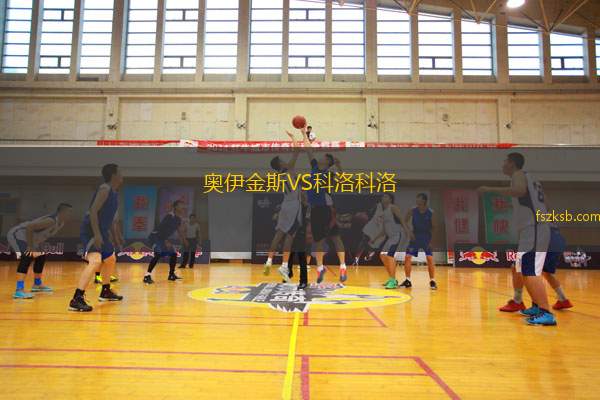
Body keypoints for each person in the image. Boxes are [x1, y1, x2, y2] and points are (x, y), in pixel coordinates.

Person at [478, 152, 556, 326]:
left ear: (512, 163)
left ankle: (546, 313)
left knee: (530, 270)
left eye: (505, 161)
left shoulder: (518, 174)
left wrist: (489, 189)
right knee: (520, 268)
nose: (502, 164)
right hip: (533, 228)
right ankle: (535, 306)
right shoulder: (531, 178)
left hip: (534, 228)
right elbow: (546, 203)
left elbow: (520, 191)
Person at [69, 164, 123, 312]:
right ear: (113, 175)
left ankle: (105, 291)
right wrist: (97, 234)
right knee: (95, 261)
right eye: (120, 172)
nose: (122, 175)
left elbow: (109, 218)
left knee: (110, 259)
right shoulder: (105, 188)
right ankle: (76, 298)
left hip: (102, 231)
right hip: (91, 231)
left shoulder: (114, 193)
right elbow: (93, 211)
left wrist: (111, 235)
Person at [301, 128, 347, 284]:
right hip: (315, 210)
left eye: (324, 157)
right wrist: (303, 134)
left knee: (335, 237)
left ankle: (343, 266)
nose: (320, 157)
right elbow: (308, 150)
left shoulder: (329, 173)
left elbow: (342, 180)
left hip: (327, 209)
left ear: (327, 162)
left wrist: (339, 166)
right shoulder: (314, 167)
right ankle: (320, 268)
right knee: (318, 241)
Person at [499, 224, 573, 313]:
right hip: (557, 239)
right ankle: (563, 299)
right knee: (546, 271)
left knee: (519, 267)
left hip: (542, 237)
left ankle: (519, 302)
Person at [7, 203, 72, 299]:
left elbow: (42, 235)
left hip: (31, 238)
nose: (71, 214)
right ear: (62, 212)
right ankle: (19, 290)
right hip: (18, 234)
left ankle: (37, 284)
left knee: (41, 255)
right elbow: (30, 227)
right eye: (69, 212)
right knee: (27, 256)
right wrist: (30, 246)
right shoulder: (51, 221)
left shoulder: (61, 223)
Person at [265, 131, 302, 280]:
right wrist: (293, 138)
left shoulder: (279, 175)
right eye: (282, 160)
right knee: (290, 236)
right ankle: (284, 266)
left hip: (285, 204)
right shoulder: (289, 169)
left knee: (279, 234)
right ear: (280, 163)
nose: (285, 161)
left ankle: (269, 261)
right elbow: (297, 150)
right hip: (293, 206)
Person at [373, 194, 412, 289]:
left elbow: (402, 220)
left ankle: (393, 281)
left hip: (398, 235)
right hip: (391, 237)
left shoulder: (393, 207)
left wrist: (408, 232)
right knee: (382, 255)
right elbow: (384, 230)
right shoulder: (383, 212)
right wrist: (375, 238)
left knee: (390, 256)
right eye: (383, 197)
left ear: (390, 199)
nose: (383, 198)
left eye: (386, 197)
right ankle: (391, 278)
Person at [144, 200, 187, 284]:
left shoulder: (178, 219)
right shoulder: (169, 216)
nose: (183, 207)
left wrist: (184, 240)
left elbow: (179, 230)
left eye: (183, 205)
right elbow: (161, 229)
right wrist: (166, 241)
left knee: (173, 254)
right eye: (180, 205)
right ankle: (147, 276)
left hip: (162, 238)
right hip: (155, 237)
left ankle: (171, 275)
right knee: (158, 254)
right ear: (175, 207)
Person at [400, 193, 437, 290]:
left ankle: (432, 281)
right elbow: (404, 221)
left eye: (419, 199)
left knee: (429, 258)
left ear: (424, 200)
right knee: (407, 257)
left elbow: (434, 228)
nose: (417, 201)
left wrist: (432, 241)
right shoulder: (412, 210)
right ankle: (407, 280)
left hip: (426, 237)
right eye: (416, 199)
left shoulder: (430, 212)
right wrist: (409, 232)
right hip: (415, 237)